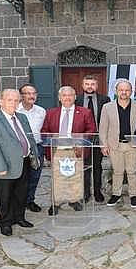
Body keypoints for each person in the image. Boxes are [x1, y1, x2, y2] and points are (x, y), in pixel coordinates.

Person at [0, 89, 39, 236]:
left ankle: (19, 217)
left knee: (21, 193)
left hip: (24, 162)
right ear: (0, 101)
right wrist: (0, 167)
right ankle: (5, 223)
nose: (13, 103)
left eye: (16, 100)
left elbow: (29, 138)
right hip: (4, 166)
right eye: (9, 100)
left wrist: (34, 155)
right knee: (5, 197)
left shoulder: (22, 117)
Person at [42, 86, 97, 215]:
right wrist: (51, 139)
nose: (67, 98)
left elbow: (91, 130)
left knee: (75, 177)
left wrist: (80, 141)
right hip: (57, 150)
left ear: (75, 97)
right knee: (57, 178)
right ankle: (56, 202)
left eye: (70, 95)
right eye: (64, 95)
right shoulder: (51, 112)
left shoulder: (85, 112)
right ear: (59, 98)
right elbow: (44, 130)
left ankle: (74, 200)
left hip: (76, 150)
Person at [99, 79, 136, 208]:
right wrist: (104, 145)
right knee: (117, 171)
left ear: (131, 92)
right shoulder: (107, 107)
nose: (124, 92)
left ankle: (134, 195)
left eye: (127, 90)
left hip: (133, 145)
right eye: (121, 90)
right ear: (116, 91)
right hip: (114, 144)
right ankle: (116, 194)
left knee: (132, 171)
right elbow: (103, 128)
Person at [75, 75, 111, 202]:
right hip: (81, 138)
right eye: (87, 84)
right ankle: (85, 193)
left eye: (92, 84)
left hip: (98, 137)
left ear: (97, 85)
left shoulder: (105, 99)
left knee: (97, 166)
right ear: (82, 85)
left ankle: (97, 192)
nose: (90, 86)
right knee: (84, 166)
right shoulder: (76, 99)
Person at [17, 84, 46, 212]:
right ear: (21, 96)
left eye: (33, 93)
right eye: (27, 93)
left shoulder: (41, 111)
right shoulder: (15, 110)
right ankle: (19, 202)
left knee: (34, 176)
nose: (31, 96)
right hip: (19, 148)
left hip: (37, 148)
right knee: (20, 177)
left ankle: (30, 200)